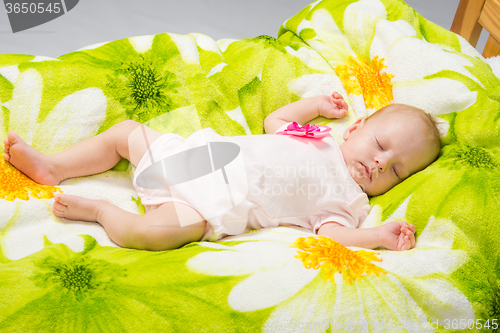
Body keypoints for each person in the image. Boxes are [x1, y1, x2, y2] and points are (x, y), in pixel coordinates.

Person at [3, 92, 440, 252]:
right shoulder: (321, 136)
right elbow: (273, 122)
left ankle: (101, 212)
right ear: (358, 128)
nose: (381, 163)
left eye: (396, 170)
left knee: (155, 233)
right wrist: (317, 107)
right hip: (197, 157)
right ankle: (53, 166)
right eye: (381, 146)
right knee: (126, 134)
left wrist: (378, 238)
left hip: (206, 205)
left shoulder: (351, 202)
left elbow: (331, 237)